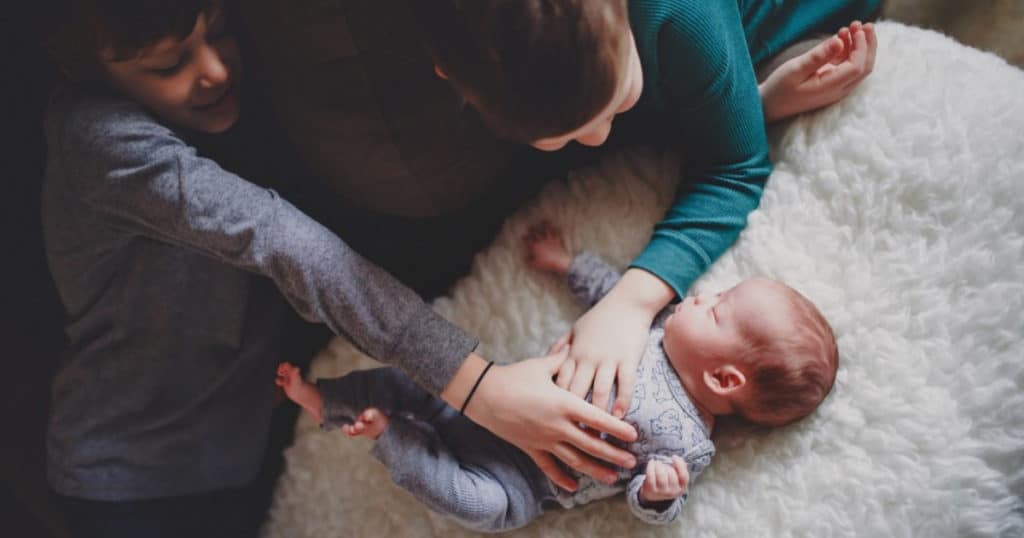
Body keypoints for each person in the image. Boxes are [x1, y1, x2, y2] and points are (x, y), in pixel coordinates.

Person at [40, 1, 637, 535]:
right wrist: (480, 385)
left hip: (242, 457)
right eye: (169, 64)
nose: (215, 69)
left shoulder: (247, 100)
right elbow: (288, 245)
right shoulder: (99, 144)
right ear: (90, 70)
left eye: (218, 30)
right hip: (127, 481)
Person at [408, 0, 878, 445]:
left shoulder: (681, 15)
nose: (596, 140)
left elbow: (734, 172)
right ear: (447, 75)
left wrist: (629, 304)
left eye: (614, 106)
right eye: (558, 138)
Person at [274, 221, 839, 532]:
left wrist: (661, 493)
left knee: (476, 508)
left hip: (523, 481)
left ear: (722, 380)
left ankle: (392, 440)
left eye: (718, 310)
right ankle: (329, 400)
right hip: (492, 404)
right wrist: (569, 264)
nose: (703, 295)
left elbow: (646, 504)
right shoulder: (657, 328)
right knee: (413, 381)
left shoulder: (689, 445)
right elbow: (611, 297)